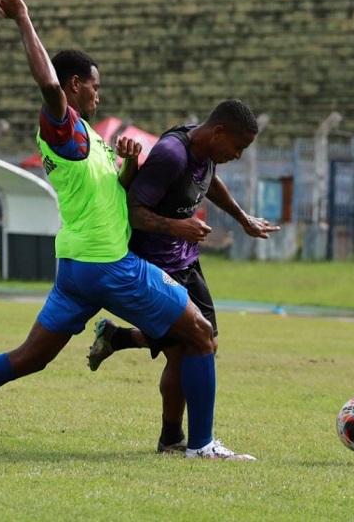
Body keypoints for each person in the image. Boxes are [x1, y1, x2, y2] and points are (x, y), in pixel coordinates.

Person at [0, 0, 255, 460]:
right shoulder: (62, 126)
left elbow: (110, 194)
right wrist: (22, 17)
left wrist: (128, 167)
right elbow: (47, 82)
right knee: (201, 333)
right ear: (76, 85)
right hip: (106, 265)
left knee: (27, 359)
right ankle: (200, 445)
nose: (99, 95)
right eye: (95, 86)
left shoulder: (90, 140)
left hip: (76, 267)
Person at [86, 100, 280, 454]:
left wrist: (242, 217)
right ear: (218, 132)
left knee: (205, 345)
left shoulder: (206, 153)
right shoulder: (171, 155)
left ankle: (120, 340)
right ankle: (177, 440)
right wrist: (178, 226)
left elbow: (210, 181)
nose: (238, 154)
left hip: (186, 261)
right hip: (156, 264)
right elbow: (131, 210)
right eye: (238, 146)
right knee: (187, 350)